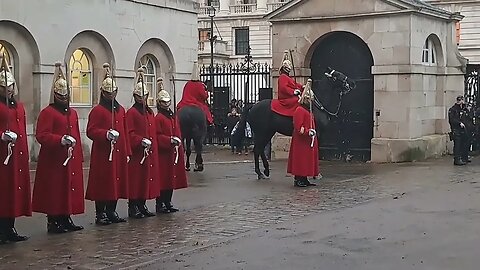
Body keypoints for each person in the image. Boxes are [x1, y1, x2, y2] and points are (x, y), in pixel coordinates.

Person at [32, 62, 84, 233]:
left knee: (68, 188)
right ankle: (53, 220)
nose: (64, 99)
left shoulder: (73, 113)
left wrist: (77, 153)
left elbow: (76, 133)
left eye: (66, 95)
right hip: (54, 158)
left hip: (69, 157)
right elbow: (42, 135)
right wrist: (59, 139)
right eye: (60, 96)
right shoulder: (48, 112)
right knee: (55, 190)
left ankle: (66, 217)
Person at [85, 63, 130, 225]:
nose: (111, 95)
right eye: (108, 92)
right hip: (103, 153)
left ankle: (112, 210)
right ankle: (100, 213)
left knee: (116, 181)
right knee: (103, 182)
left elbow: (124, 131)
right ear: (103, 93)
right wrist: (105, 134)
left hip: (118, 152)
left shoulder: (121, 110)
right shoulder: (97, 110)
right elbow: (91, 131)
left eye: (113, 92)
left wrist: (127, 152)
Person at [0, 54, 31, 244]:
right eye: (4, 88)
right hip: (2, 155)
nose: (8, 91)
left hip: (16, 155)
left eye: (10, 87)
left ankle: (10, 227)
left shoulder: (18, 106)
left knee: (13, 192)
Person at [126, 67, 159, 218]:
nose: (143, 99)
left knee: (145, 179)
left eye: (144, 96)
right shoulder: (132, 113)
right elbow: (130, 134)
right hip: (138, 152)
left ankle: (142, 204)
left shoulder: (149, 112)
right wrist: (140, 141)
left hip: (148, 151)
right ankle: (133, 206)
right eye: (140, 96)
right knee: (136, 180)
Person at [154, 78, 188, 213]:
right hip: (164, 152)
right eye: (163, 102)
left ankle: (168, 201)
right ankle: (160, 203)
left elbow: (177, 131)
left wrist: (178, 143)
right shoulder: (159, 118)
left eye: (167, 102)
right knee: (163, 179)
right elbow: (157, 135)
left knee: (171, 178)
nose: (166, 104)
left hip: (173, 151)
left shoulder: (172, 117)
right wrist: (169, 140)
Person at [287, 79, 319, 187]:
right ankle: (298, 178)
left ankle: (304, 178)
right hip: (301, 141)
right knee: (300, 160)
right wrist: (307, 132)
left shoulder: (307, 111)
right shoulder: (299, 110)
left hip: (307, 140)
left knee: (306, 160)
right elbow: (298, 127)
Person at [177, 61, 214, 126]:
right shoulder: (200, 85)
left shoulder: (187, 84)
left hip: (184, 103)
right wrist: (207, 92)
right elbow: (204, 96)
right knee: (206, 112)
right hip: (197, 103)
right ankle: (210, 124)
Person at [271, 50, 304, 117]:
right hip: (285, 99)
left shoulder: (288, 77)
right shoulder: (282, 77)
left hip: (290, 97)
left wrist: (302, 87)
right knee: (298, 101)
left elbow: (295, 84)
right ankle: (296, 116)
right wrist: (293, 92)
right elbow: (284, 88)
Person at [448, 95, 471, 166]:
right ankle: (457, 159)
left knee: (465, 143)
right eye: (459, 100)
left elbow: (468, 118)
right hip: (456, 129)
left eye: (461, 100)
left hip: (464, 130)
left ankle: (464, 157)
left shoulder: (464, 109)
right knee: (457, 145)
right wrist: (459, 123)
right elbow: (452, 120)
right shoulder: (453, 109)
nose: (460, 102)